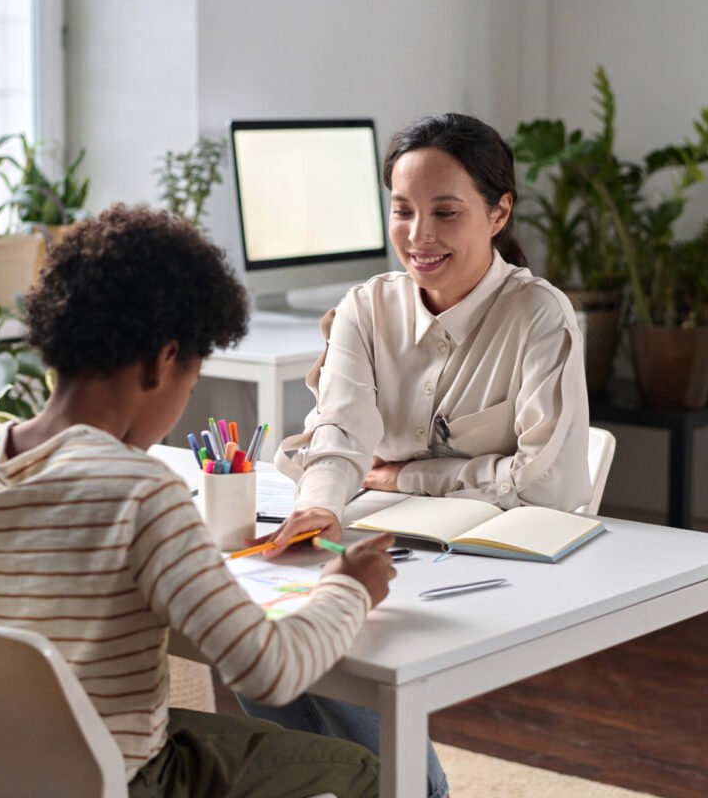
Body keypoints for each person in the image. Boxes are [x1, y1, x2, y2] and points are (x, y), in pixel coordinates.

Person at [0, 204, 397, 797]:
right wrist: (348, 588)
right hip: (112, 779)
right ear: (163, 361)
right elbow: (270, 669)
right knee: (366, 769)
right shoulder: (141, 491)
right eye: (191, 383)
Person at [242, 112, 593, 797]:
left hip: (492, 564)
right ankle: (373, 784)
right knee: (262, 638)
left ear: (499, 213)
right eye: (403, 211)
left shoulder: (539, 316)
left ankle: (404, 787)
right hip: (381, 539)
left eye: (445, 212)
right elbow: (340, 431)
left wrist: (411, 475)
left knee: (316, 644)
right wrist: (317, 509)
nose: (419, 235)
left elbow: (548, 486)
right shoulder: (365, 308)